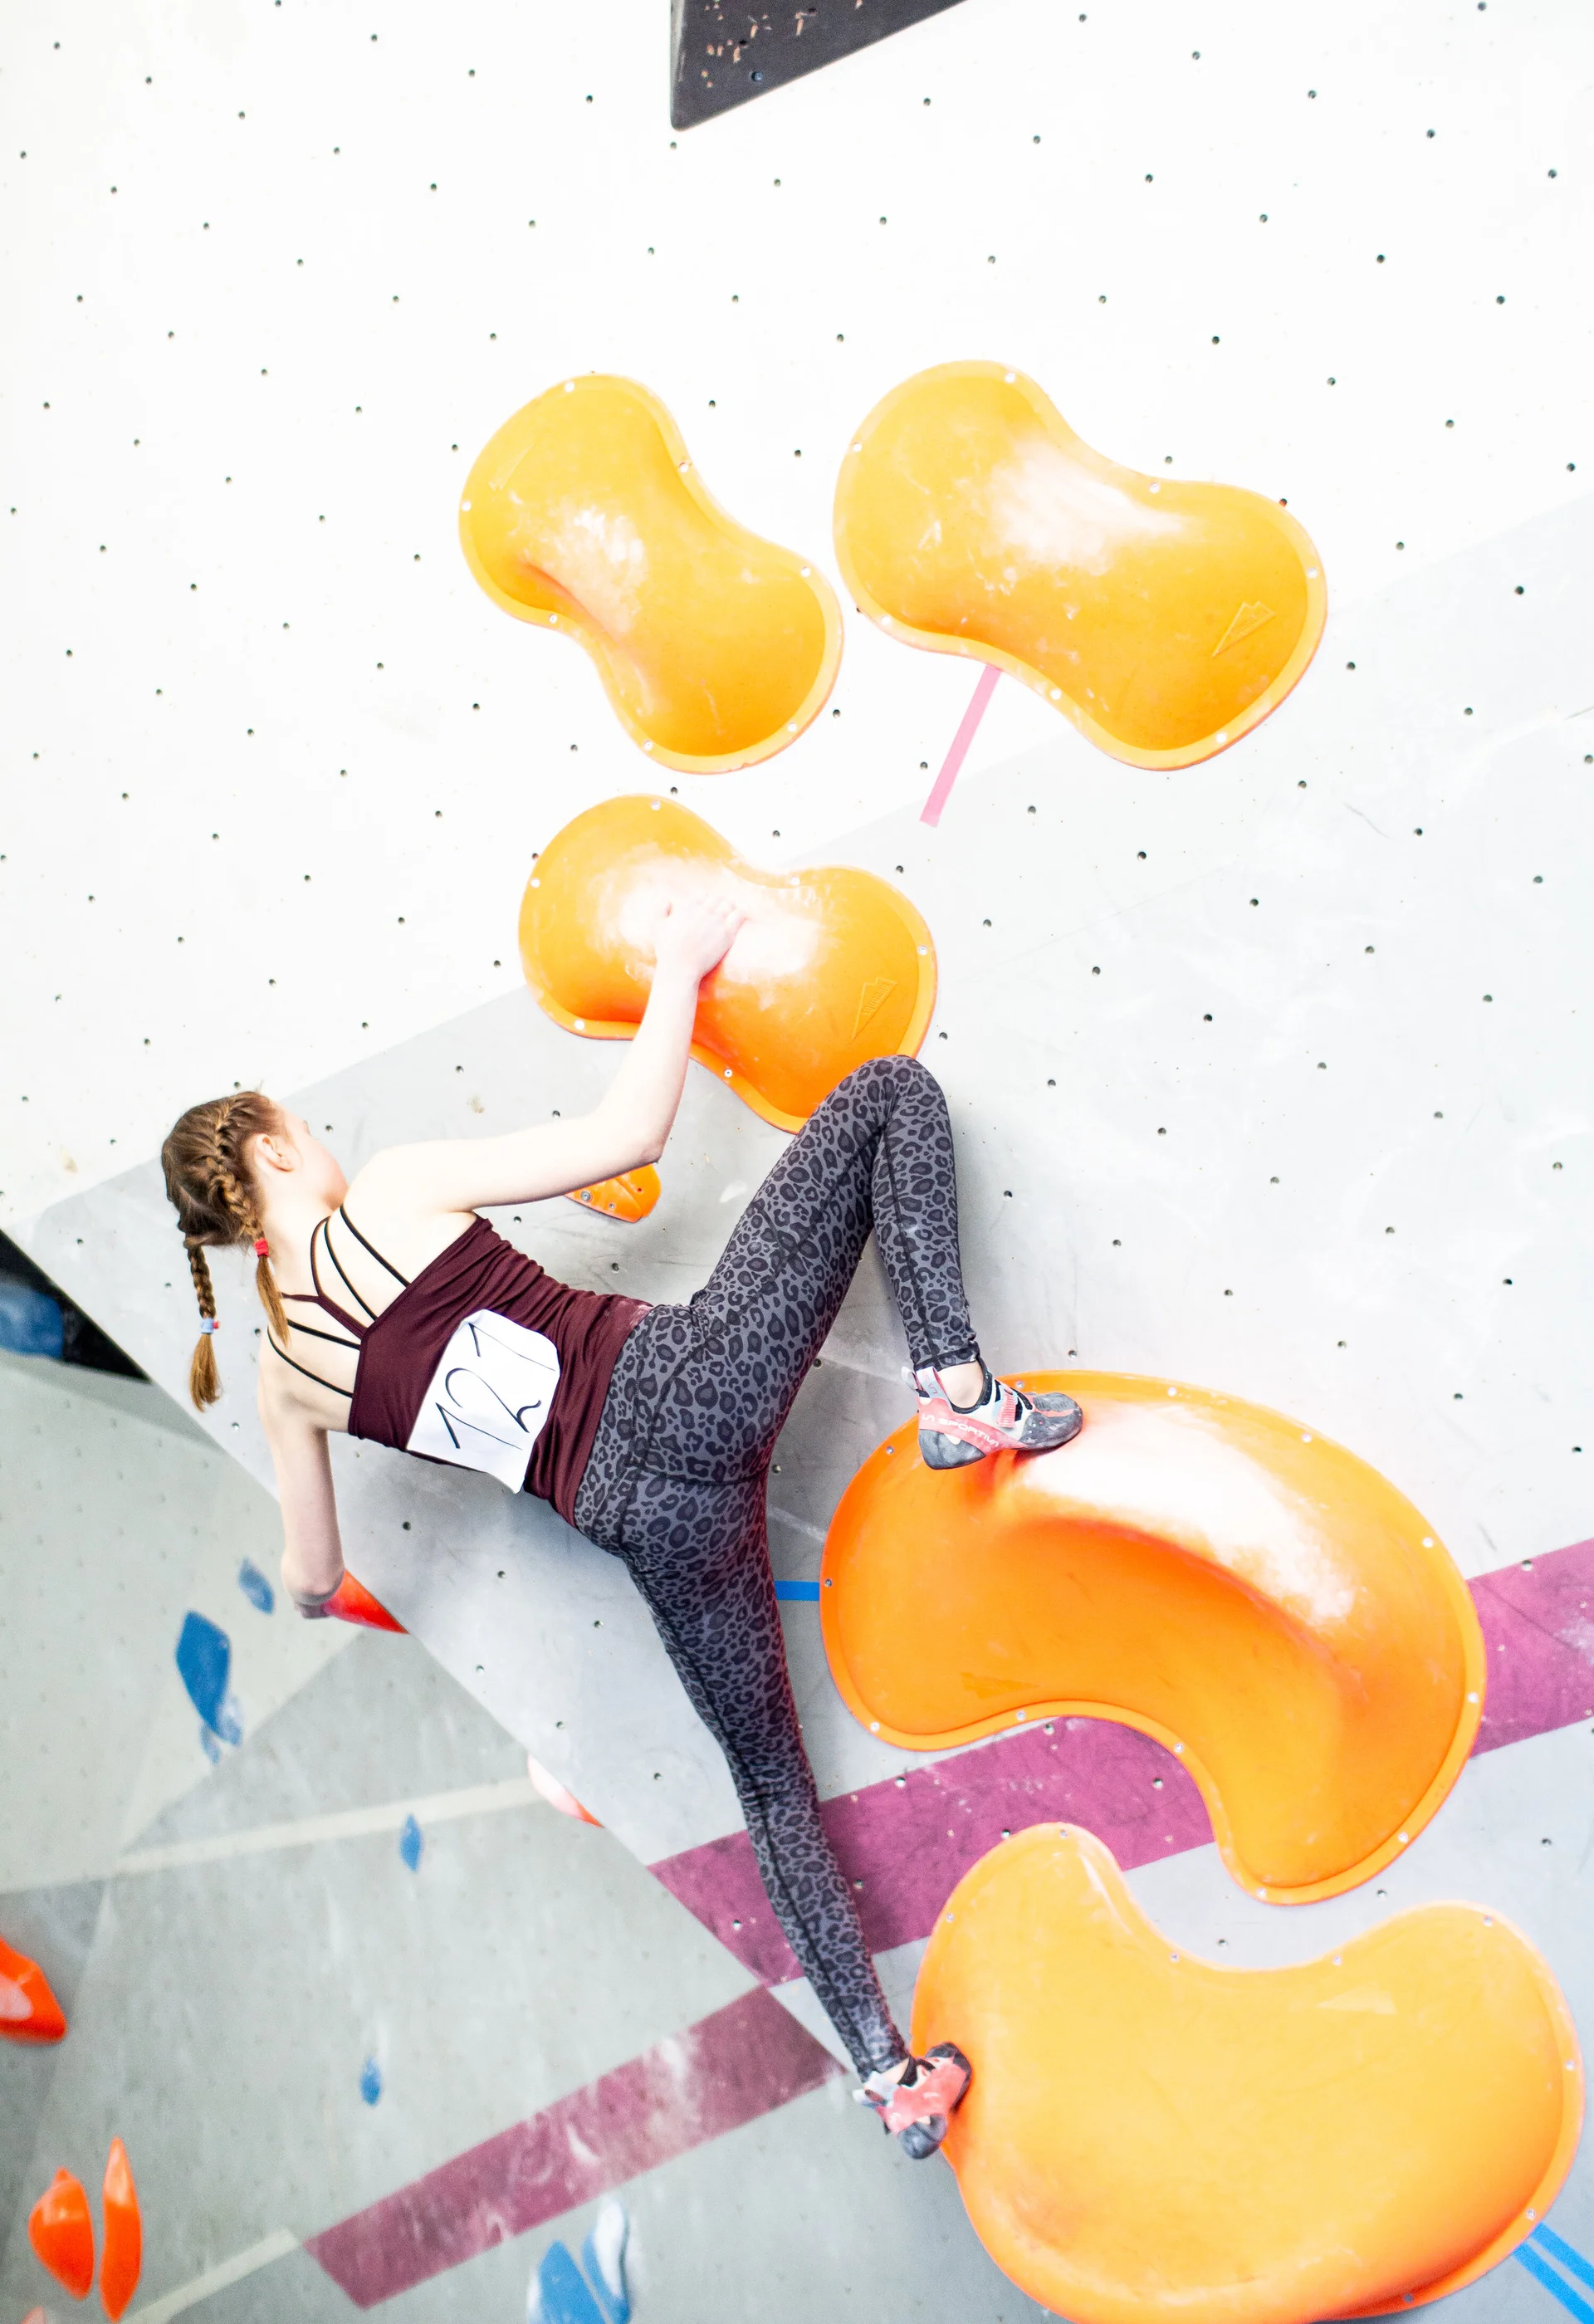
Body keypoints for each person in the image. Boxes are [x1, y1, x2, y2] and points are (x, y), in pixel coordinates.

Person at [159, 895, 1082, 2155]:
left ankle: (890, 2074)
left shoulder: (283, 1379)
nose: (318, 1142)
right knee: (885, 1099)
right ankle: (959, 1390)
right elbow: (627, 1129)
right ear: (268, 1152)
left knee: (769, 1786)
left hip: (640, 1522)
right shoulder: (391, 1190)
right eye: (300, 1130)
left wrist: (305, 1573)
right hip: (686, 1381)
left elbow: (314, 1575)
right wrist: (683, 965)